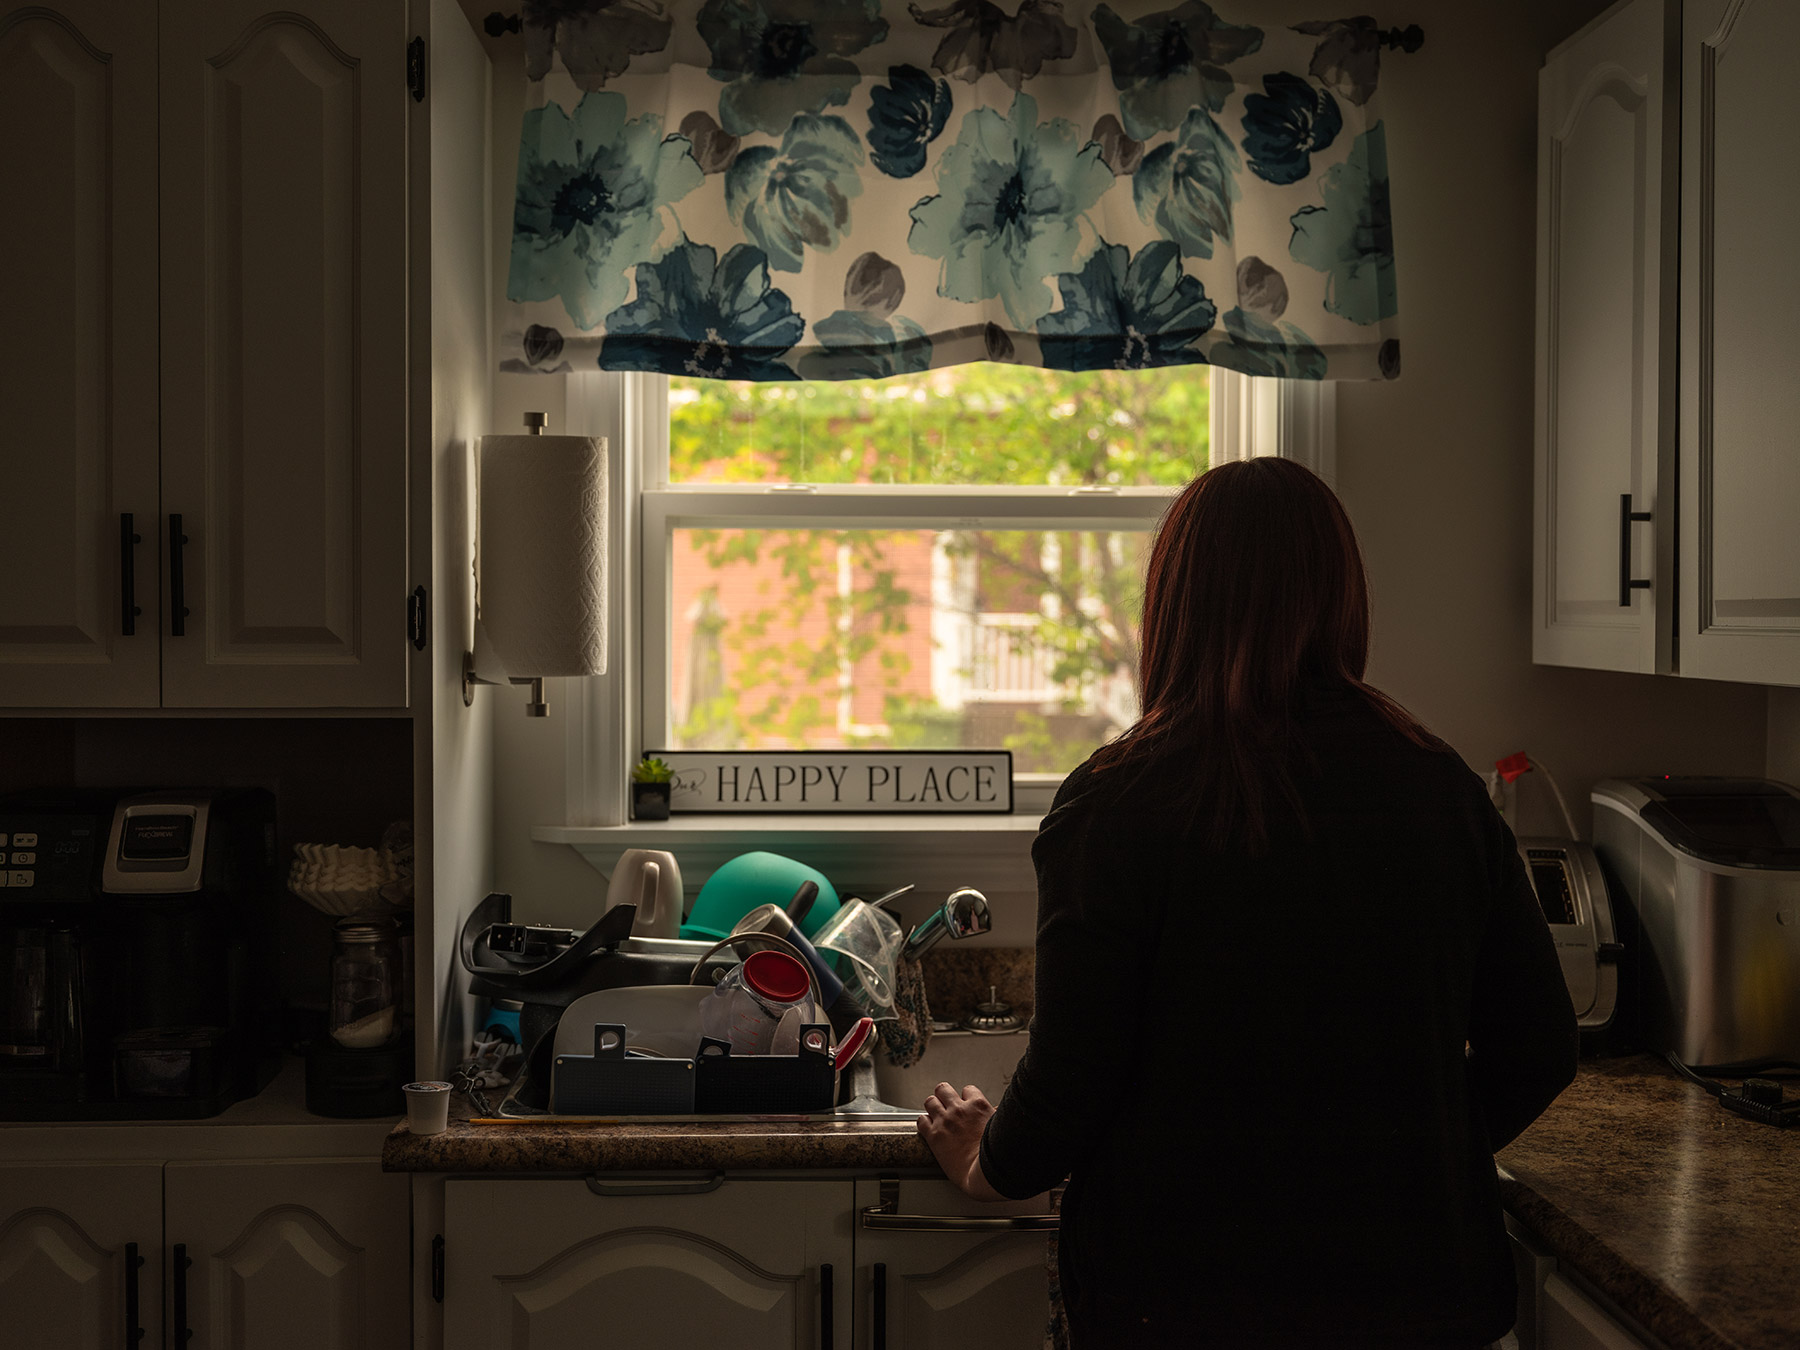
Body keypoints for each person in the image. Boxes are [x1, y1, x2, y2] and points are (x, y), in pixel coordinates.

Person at [916, 458, 1578, 1348]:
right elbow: (1538, 1047)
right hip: (1417, 1299)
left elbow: (1070, 1086)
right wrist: (1401, 1157)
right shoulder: (1440, 788)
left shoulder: (1115, 804)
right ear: (1343, 597)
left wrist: (980, 1163)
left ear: (1175, 603)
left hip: (1183, 1302)